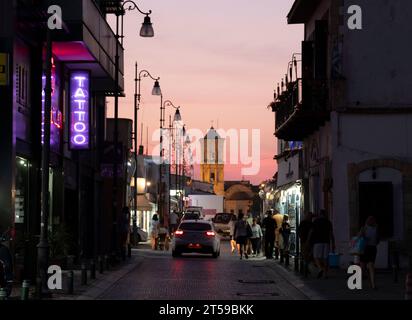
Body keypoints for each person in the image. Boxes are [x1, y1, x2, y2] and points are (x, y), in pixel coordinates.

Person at [307, 210, 335, 279]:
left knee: (316, 257)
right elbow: (331, 234)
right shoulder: (328, 222)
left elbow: (311, 231)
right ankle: (325, 274)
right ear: (325, 214)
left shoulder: (316, 221)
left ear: (320, 214)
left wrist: (308, 240)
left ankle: (320, 268)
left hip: (317, 242)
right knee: (325, 258)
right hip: (326, 242)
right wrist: (333, 243)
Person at [359, 216, 379, 289]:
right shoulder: (373, 228)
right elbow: (377, 240)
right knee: (368, 267)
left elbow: (359, 237)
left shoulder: (367, 228)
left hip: (368, 248)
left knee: (366, 267)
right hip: (369, 248)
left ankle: (370, 284)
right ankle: (372, 284)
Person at [297, 212, 314, 277]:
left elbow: (299, 231)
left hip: (305, 241)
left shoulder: (303, 223)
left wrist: (301, 237)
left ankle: (305, 268)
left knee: (306, 255)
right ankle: (306, 268)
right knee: (307, 255)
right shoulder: (310, 224)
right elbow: (311, 232)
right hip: (307, 242)